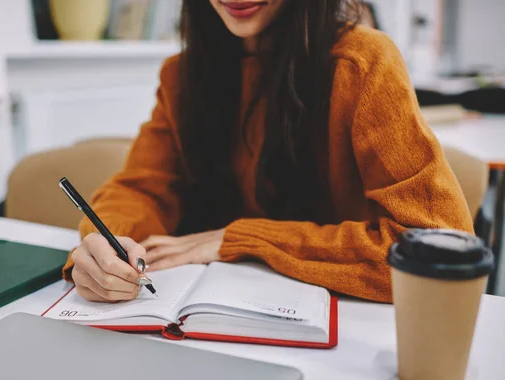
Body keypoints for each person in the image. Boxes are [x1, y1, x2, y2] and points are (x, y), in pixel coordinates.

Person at [63, 0, 473, 304]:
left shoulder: (362, 62)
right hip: (204, 316)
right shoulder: (182, 74)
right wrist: (108, 243)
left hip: (346, 328)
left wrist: (242, 239)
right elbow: (141, 188)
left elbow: (437, 248)